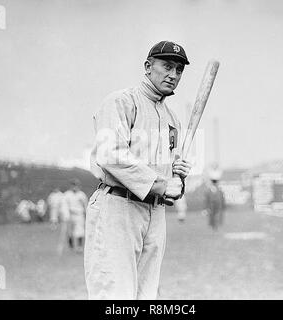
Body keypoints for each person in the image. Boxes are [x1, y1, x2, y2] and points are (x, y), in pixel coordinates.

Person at [85, 40, 192, 300]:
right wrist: (161, 184)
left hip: (155, 212)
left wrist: (177, 178)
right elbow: (110, 155)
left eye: (179, 70)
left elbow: (169, 184)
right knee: (115, 295)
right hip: (117, 206)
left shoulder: (172, 118)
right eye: (167, 66)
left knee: (147, 295)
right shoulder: (121, 102)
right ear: (147, 66)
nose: (173, 75)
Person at [64, 179, 88, 252]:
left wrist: (86, 214)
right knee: (70, 231)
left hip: (79, 215)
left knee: (80, 231)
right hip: (70, 214)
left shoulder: (82, 195)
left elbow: (85, 206)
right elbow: (64, 206)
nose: (74, 187)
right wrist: (66, 214)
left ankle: (80, 246)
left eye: (76, 185)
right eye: (73, 185)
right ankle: (71, 246)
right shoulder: (67, 194)